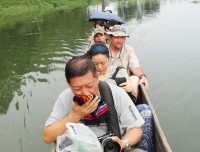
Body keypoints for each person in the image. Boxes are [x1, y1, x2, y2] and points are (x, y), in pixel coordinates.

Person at [43, 55, 145, 151]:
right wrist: (75, 116)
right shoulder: (65, 97)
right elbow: (47, 137)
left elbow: (136, 129)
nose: (85, 92)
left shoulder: (117, 94)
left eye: (89, 86)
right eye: (77, 88)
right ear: (69, 84)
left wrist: (122, 143)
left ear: (97, 78)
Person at [86, 42, 155, 152]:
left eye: (103, 63)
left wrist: (129, 89)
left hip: (123, 112)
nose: (99, 67)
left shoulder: (120, 71)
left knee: (145, 110)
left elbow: (132, 99)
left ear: (108, 59)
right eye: (95, 64)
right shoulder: (87, 77)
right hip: (102, 118)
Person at [106, 25, 149, 91]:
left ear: (125, 39)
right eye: (116, 37)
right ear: (111, 37)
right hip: (107, 83)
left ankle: (131, 100)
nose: (119, 40)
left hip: (124, 84)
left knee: (135, 79)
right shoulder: (103, 49)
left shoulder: (129, 50)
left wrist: (142, 76)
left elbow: (135, 66)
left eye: (122, 37)